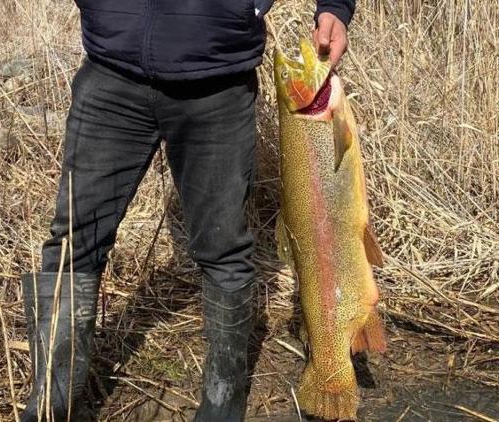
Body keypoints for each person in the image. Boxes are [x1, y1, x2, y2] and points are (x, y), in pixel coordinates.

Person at [20, 1, 355, 421]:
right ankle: (51, 406)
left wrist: (335, 8)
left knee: (224, 251)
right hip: (109, 74)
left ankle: (221, 406)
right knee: (73, 245)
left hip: (218, 84)